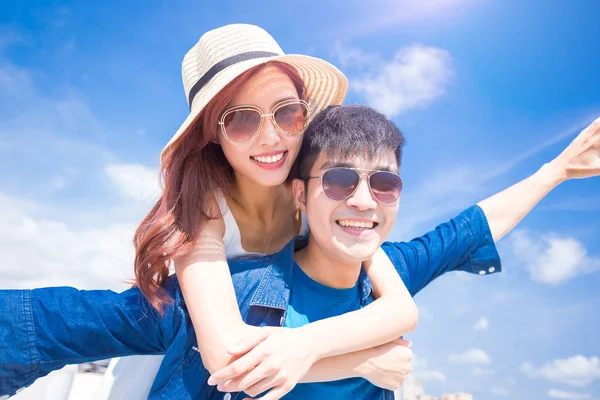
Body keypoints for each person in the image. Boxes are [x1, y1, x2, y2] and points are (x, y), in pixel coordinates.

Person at [2, 106, 598, 399]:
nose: (363, 201)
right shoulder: (230, 290)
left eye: (384, 184)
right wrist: (361, 360)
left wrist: (558, 170)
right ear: (300, 194)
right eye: (340, 181)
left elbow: (469, 229)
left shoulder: (391, 275)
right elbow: (64, 321)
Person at [99, 23, 420, 400]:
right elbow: (226, 355)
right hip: (170, 376)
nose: (270, 136)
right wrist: (361, 362)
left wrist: (309, 345)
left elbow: (401, 309)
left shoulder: (316, 195)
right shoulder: (204, 210)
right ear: (212, 133)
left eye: (286, 114)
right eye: (242, 120)